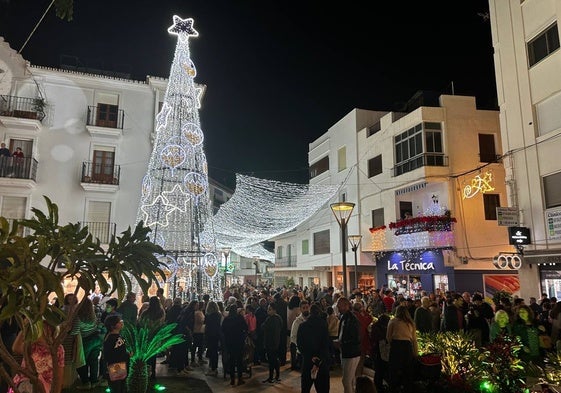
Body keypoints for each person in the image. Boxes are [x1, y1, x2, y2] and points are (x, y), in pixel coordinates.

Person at [10, 320, 65, 393]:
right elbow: (16, 348)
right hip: (27, 380)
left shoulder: (58, 348)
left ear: (49, 330)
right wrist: (25, 329)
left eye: (40, 330)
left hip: (46, 385)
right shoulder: (31, 345)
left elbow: (59, 375)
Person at [297, 303, 331, 393]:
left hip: (308, 362)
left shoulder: (302, 326)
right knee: (323, 390)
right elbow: (326, 344)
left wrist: (310, 357)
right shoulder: (324, 325)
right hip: (322, 362)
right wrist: (318, 359)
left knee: (305, 389)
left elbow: (300, 345)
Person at [386, 305, 418, 393]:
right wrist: (416, 352)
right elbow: (414, 339)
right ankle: (407, 388)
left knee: (394, 370)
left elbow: (388, 337)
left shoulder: (393, 321)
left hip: (396, 346)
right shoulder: (411, 323)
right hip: (407, 346)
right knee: (407, 371)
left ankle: (393, 388)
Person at [76, 297, 106, 389]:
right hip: (96, 339)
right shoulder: (93, 315)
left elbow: (75, 331)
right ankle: (94, 381)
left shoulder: (78, 317)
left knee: (82, 362)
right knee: (93, 361)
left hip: (85, 340)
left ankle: (86, 382)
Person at [337, 297, 361, 393]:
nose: (338, 307)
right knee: (350, 380)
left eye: (340, 305)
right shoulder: (344, 317)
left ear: (346, 306)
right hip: (347, 351)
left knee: (346, 381)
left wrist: (342, 343)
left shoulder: (351, 319)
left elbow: (355, 338)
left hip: (351, 353)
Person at [138, 296, 166, 379]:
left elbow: (140, 323)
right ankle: (153, 372)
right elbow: (162, 324)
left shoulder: (145, 312)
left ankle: (146, 370)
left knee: (146, 354)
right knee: (153, 355)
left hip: (146, 336)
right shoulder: (161, 312)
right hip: (155, 336)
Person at [221, 303, 248, 386]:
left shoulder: (227, 319)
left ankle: (232, 379)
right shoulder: (239, 318)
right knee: (239, 360)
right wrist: (243, 336)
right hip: (239, 341)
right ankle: (240, 378)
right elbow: (245, 328)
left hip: (229, 342)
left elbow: (222, 330)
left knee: (231, 360)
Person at [103, 315, 130, 393]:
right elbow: (110, 354)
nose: (121, 323)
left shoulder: (118, 336)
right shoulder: (110, 338)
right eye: (119, 322)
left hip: (120, 365)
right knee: (116, 388)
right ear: (112, 326)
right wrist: (127, 355)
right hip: (115, 366)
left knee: (121, 386)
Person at [262, 301, 283, 384]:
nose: (268, 311)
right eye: (268, 309)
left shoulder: (271, 319)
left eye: (270, 309)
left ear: (274, 310)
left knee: (272, 361)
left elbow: (263, 327)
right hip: (275, 343)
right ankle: (276, 376)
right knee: (274, 360)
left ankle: (271, 377)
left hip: (271, 343)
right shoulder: (278, 318)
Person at [370, 313, 390, 393]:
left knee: (378, 370)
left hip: (377, 350)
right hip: (379, 350)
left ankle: (378, 386)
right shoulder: (379, 328)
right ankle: (378, 386)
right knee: (379, 369)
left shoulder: (375, 326)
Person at [290, 299, 310, 371]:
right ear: (300, 309)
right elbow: (293, 337)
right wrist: (300, 346)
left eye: (307, 307)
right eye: (304, 308)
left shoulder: (312, 319)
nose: (306, 309)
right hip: (302, 351)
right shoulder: (297, 322)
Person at [204, 301, 222, 377]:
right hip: (217, 335)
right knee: (214, 352)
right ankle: (213, 367)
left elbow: (206, 326)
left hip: (210, 335)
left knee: (212, 351)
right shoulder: (218, 315)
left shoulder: (209, 316)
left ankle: (213, 368)